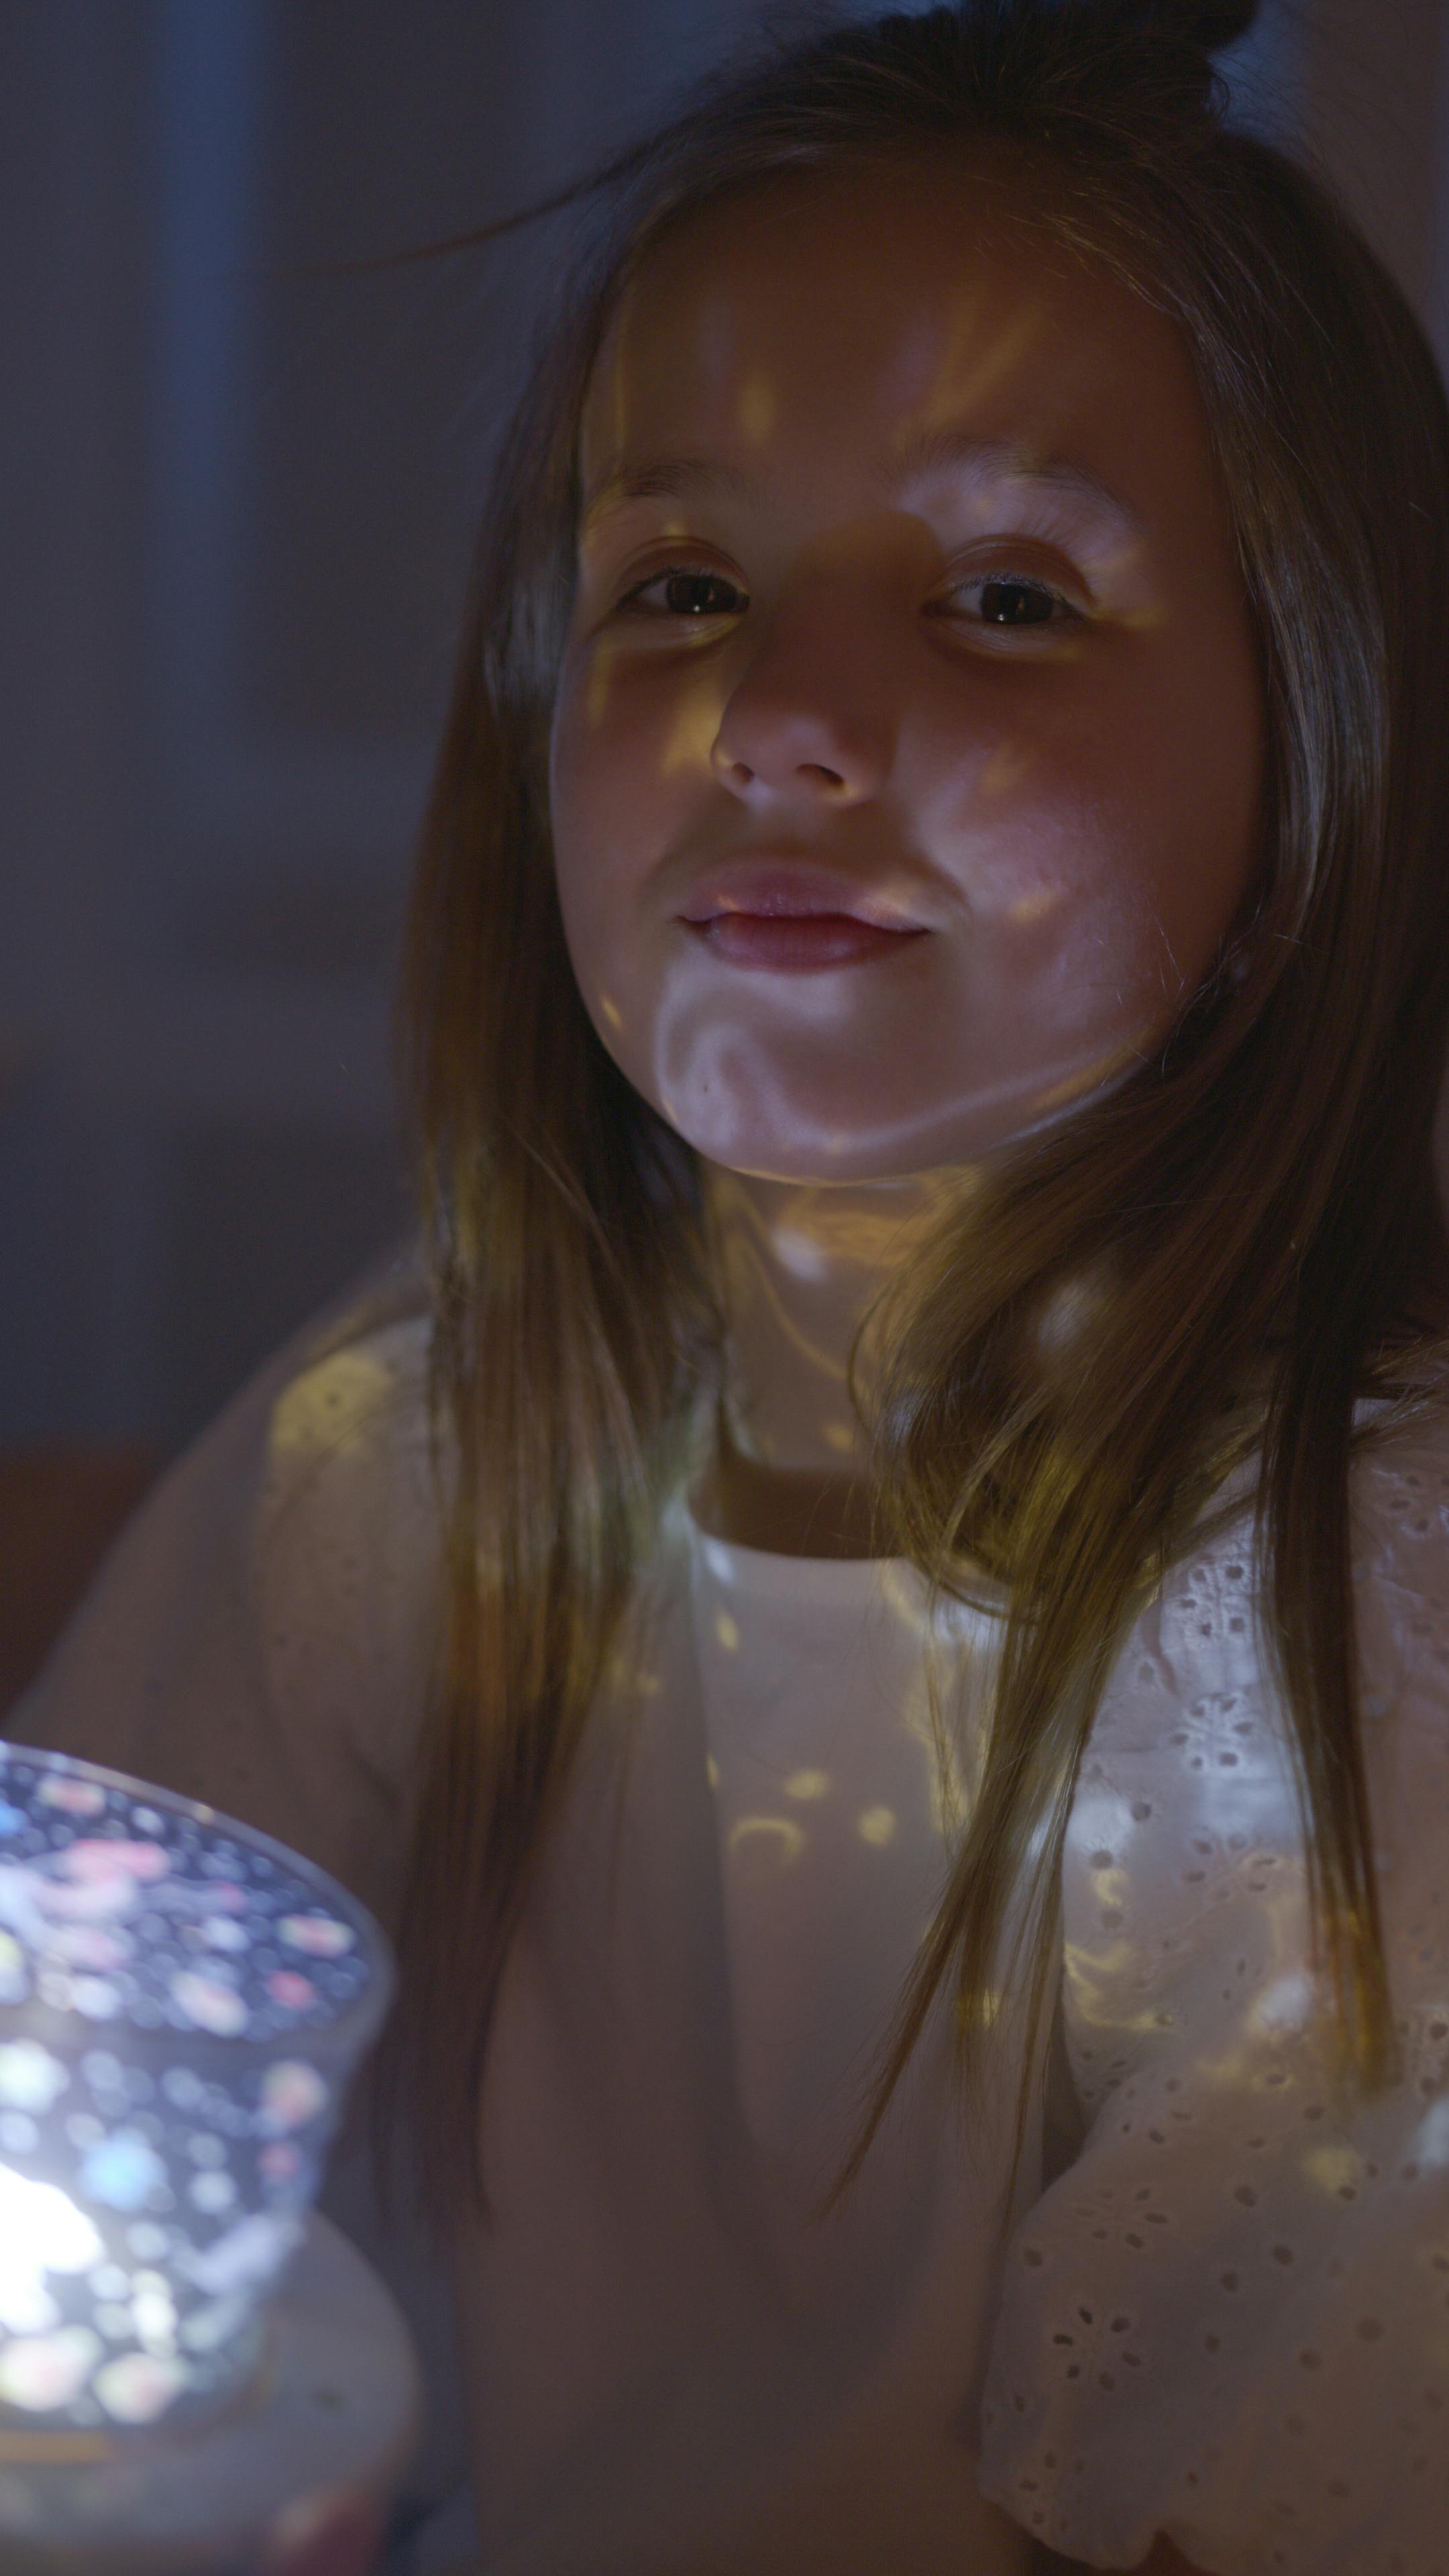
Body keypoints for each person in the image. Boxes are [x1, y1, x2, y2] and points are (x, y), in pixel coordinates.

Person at [14, 1, 1449, 2567]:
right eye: (679, 582)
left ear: (1320, 757)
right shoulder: (428, 1446)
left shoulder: (1345, 1619)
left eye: (1009, 596)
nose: (778, 715)